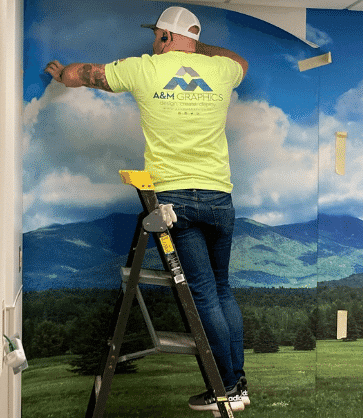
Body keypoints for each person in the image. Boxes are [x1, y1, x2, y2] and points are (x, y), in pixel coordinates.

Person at [44, 5, 249, 413]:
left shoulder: (142, 69)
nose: (153, 42)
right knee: (222, 291)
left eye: (158, 35)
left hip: (175, 200)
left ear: (167, 37)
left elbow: (84, 75)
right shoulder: (223, 72)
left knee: (204, 295)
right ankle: (237, 383)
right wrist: (194, 47)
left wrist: (60, 71)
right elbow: (239, 61)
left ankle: (227, 389)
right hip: (219, 197)